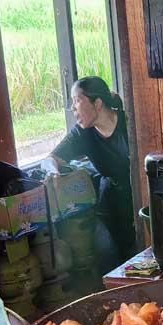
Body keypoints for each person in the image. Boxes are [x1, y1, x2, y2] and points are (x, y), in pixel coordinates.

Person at [50, 76, 136, 264]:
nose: (72, 108)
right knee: (109, 255)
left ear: (97, 103)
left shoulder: (129, 122)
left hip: (138, 195)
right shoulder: (82, 132)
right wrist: (52, 171)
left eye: (77, 101)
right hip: (111, 199)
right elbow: (52, 158)